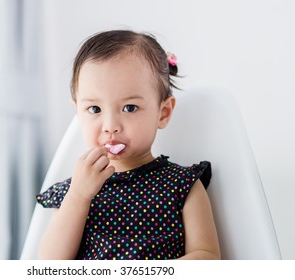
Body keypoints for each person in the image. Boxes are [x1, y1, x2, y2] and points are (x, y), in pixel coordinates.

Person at [36, 30, 220, 260]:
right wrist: (78, 196)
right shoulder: (74, 191)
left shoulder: (182, 184)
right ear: (78, 113)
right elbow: (50, 263)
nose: (110, 126)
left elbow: (208, 256)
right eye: (94, 109)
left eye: (129, 108)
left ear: (163, 113)